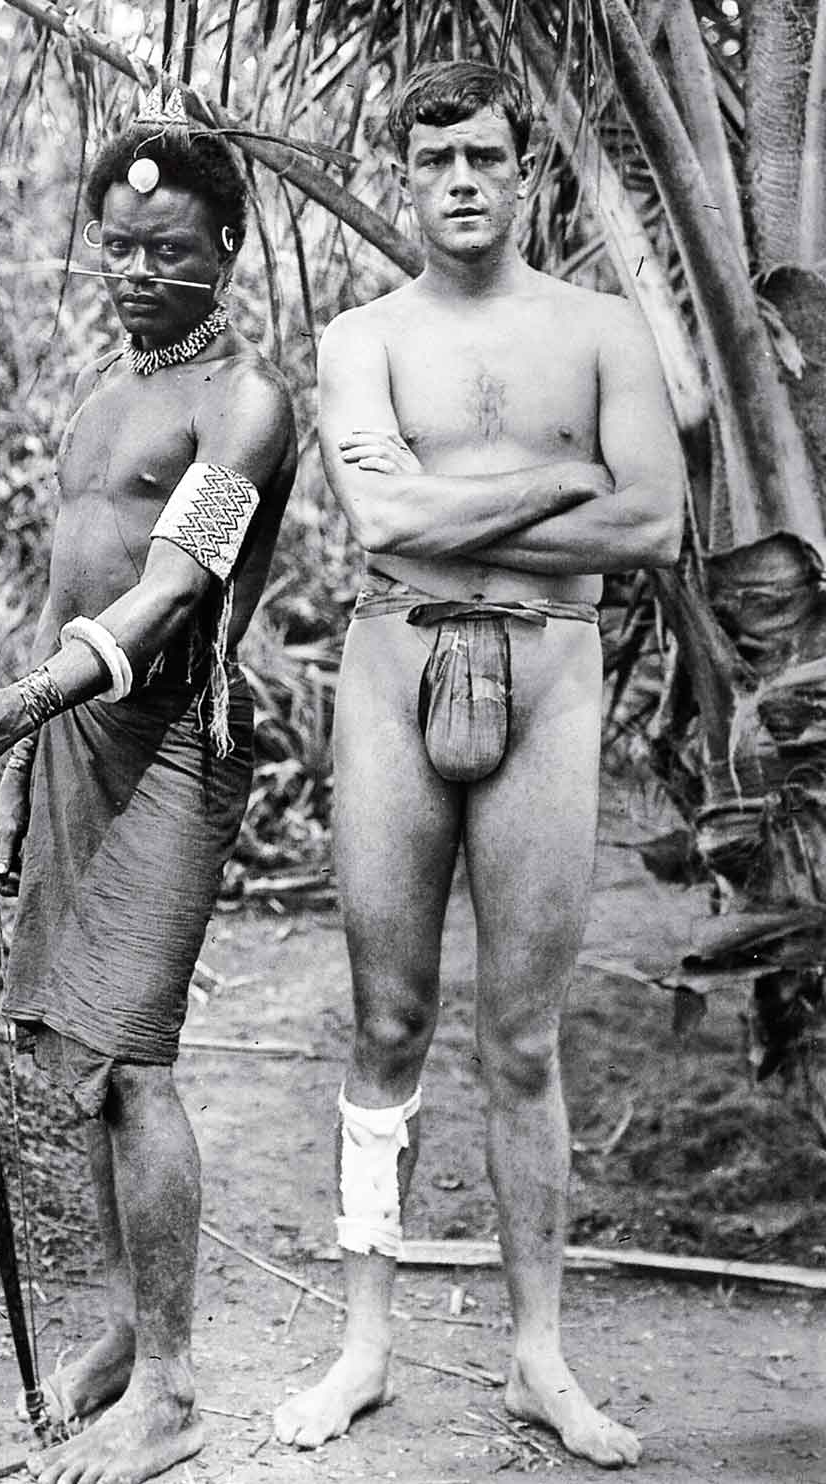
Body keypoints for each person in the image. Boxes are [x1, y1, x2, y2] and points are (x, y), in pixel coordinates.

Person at [273, 61, 682, 1469]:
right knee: (385, 1021)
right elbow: (382, 529)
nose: (461, 178)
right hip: (394, 674)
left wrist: (467, 520)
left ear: (525, 174)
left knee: (521, 1035)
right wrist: (558, 484)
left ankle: (538, 1359)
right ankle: (364, 1348)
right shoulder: (361, 339)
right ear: (407, 172)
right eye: (435, 154)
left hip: (551, 677)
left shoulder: (605, 333)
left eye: (485, 156)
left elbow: (650, 531)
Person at [0, 84, 296, 1484]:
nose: (139, 275)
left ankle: (179, 1390)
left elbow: (176, 592)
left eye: (171, 251)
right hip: (68, 748)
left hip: (171, 748)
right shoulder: (101, 395)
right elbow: (74, 580)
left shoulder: (244, 403)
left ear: (229, 250)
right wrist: (20, 760)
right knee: (78, 1067)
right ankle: (126, 1337)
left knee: (136, 1061)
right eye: (119, 250)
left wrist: (15, 708)